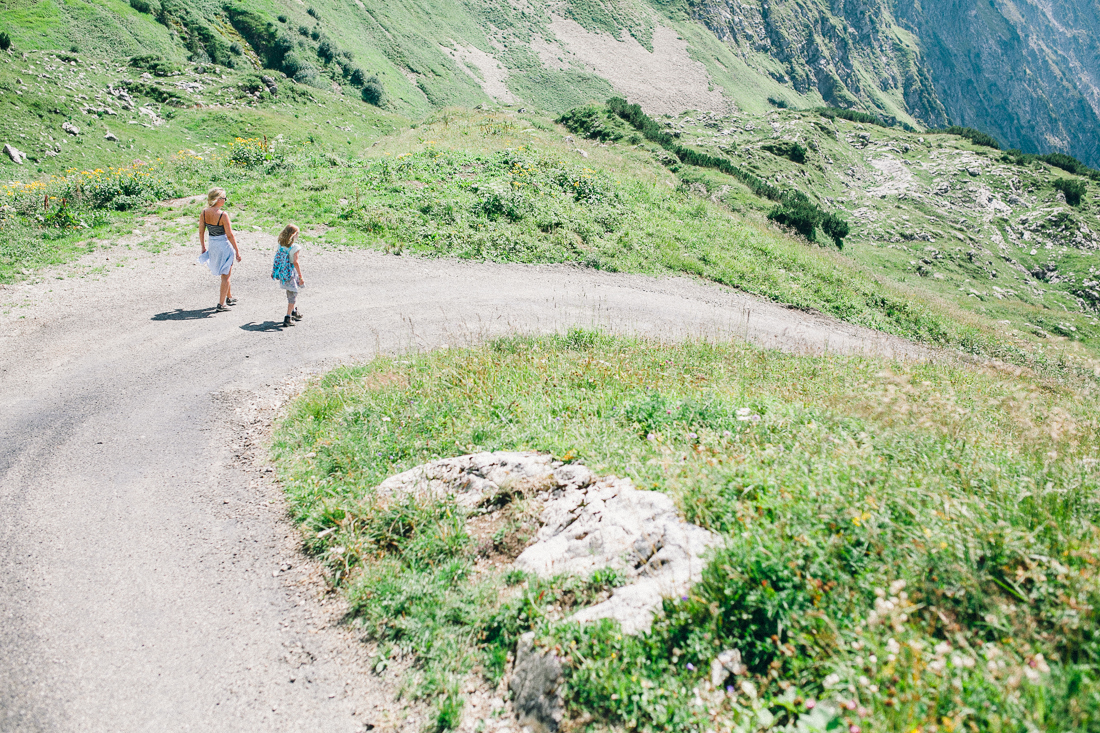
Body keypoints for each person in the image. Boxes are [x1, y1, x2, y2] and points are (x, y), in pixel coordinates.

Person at [197, 187, 241, 312]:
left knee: (225, 272)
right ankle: (221, 304)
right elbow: (230, 235)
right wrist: (237, 251)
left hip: (212, 244)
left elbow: (201, 231)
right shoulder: (222, 215)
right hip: (223, 245)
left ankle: (229, 297)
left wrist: (203, 247)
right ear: (217, 199)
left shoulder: (204, 212)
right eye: (224, 198)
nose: (225, 200)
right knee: (226, 275)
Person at [272, 224, 304, 327]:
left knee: (289, 292)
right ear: (294, 235)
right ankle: (288, 317)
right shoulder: (295, 247)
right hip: (291, 273)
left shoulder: (280, 245)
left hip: (283, 273)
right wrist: (300, 276)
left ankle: (294, 311)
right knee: (293, 295)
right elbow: (295, 262)